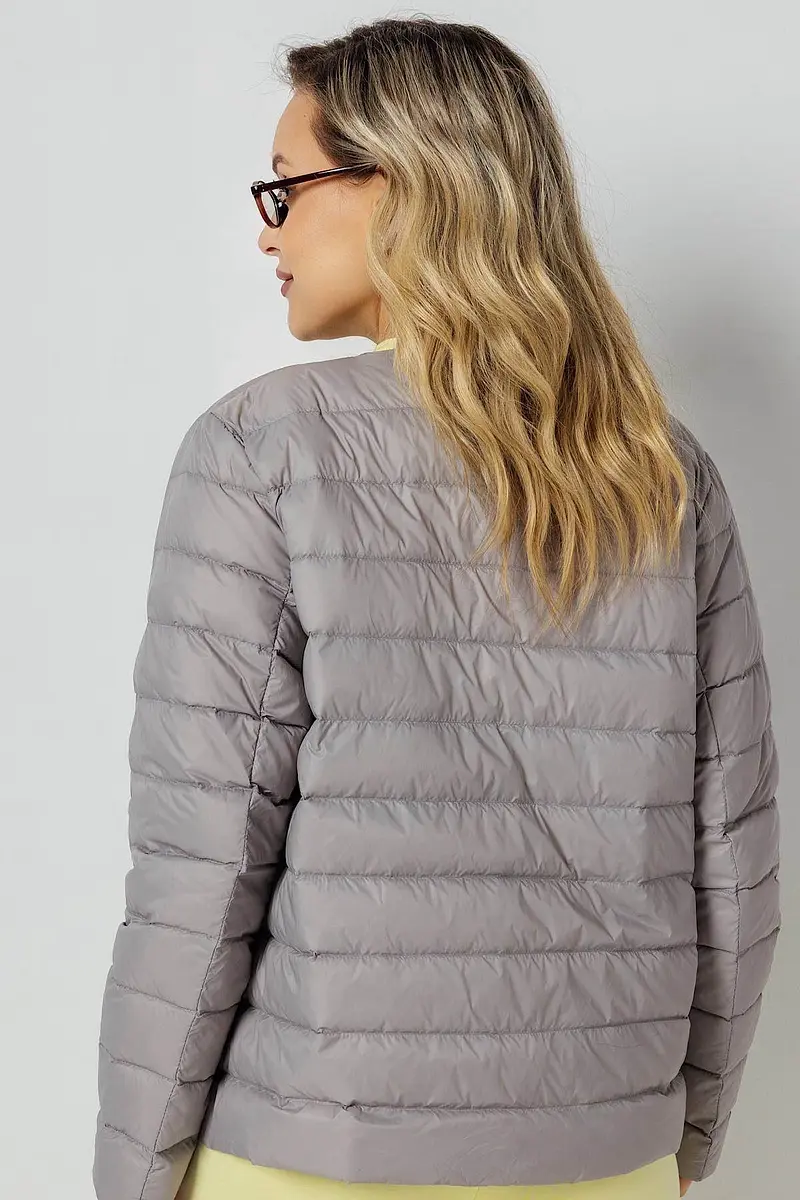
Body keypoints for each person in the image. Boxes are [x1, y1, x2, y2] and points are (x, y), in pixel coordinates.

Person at [91, 16, 781, 1200]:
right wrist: (676, 1139)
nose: (266, 229)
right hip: (606, 1157)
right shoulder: (662, 475)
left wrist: (130, 1173)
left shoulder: (261, 450)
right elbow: (735, 861)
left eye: (285, 188)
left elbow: (200, 870)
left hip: (315, 1159)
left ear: (401, 183)